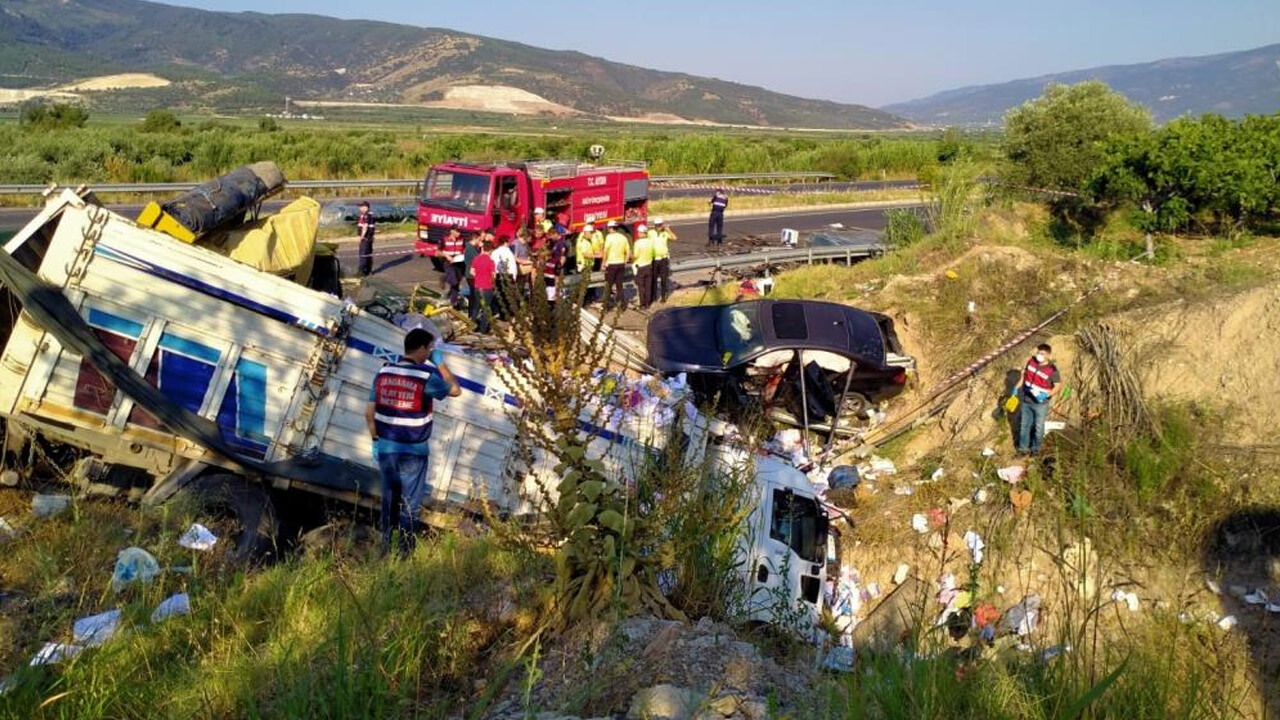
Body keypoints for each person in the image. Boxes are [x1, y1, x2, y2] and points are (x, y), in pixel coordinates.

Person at [365, 328, 461, 551]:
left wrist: (375, 441)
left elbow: (369, 413)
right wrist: (440, 364)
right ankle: (404, 555)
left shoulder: (384, 371)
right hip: (413, 454)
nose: (430, 353)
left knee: (389, 503)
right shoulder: (426, 377)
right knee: (409, 506)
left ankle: (385, 550)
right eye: (429, 350)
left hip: (387, 450)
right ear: (421, 349)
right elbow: (456, 390)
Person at [1015, 343, 1061, 455]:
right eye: (1038, 352)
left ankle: (1035, 450)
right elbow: (1024, 376)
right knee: (1024, 425)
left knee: (1039, 427)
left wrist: (1047, 395)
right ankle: (1023, 449)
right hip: (1027, 399)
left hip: (1041, 404)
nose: (1039, 355)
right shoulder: (1031, 362)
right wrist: (1015, 389)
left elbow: (1058, 386)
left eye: (1042, 353)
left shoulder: (1052, 370)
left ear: (1048, 356)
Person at [468, 239, 496, 334]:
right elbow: (493, 275)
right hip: (487, 287)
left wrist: (478, 276)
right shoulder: (491, 261)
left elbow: (471, 272)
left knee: (476, 306)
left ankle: (472, 326)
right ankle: (483, 329)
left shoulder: (476, 259)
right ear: (491, 250)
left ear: (483, 248)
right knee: (486, 308)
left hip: (477, 286)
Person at [602, 222, 632, 310]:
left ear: (611, 228)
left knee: (608, 285)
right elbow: (628, 251)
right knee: (619, 285)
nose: (607, 229)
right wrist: (625, 261)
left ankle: (606, 306)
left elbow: (605, 251)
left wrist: (603, 262)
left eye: (608, 228)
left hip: (611, 264)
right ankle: (622, 305)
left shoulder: (609, 237)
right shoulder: (623, 237)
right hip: (620, 264)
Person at [490, 235, 518, 319]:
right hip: (508, 275)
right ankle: (508, 314)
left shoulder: (495, 252)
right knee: (508, 296)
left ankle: (502, 314)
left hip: (498, 275)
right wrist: (514, 277)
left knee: (500, 295)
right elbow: (513, 266)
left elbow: (493, 264)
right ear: (505, 242)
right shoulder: (508, 252)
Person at [651, 217, 678, 303]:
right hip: (654, 259)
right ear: (654, 226)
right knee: (654, 279)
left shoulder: (665, 233)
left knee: (663, 279)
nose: (659, 227)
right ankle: (654, 296)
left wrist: (668, 229)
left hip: (663, 259)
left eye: (660, 225)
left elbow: (674, 238)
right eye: (657, 225)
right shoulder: (650, 233)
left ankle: (663, 297)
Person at [440, 227, 466, 308]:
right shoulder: (444, 240)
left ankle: (452, 300)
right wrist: (446, 256)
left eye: (460, 231)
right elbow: (437, 252)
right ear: (452, 231)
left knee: (457, 283)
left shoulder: (462, 240)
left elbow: (464, 249)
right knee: (454, 282)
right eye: (457, 231)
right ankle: (452, 303)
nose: (459, 233)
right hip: (449, 263)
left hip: (459, 263)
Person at [632, 222, 655, 309]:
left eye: (638, 232)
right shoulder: (650, 242)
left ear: (641, 233)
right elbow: (652, 253)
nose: (638, 234)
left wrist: (630, 256)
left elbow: (635, 256)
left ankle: (642, 304)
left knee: (641, 287)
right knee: (648, 286)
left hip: (640, 267)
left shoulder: (638, 243)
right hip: (649, 266)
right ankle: (648, 304)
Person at [356, 201, 375, 276]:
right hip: (369, 238)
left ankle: (362, 271)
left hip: (365, 238)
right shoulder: (370, 215)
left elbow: (365, 227)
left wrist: (362, 237)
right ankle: (368, 270)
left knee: (363, 254)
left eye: (361, 206)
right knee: (368, 254)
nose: (359, 208)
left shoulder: (366, 216)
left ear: (366, 207)